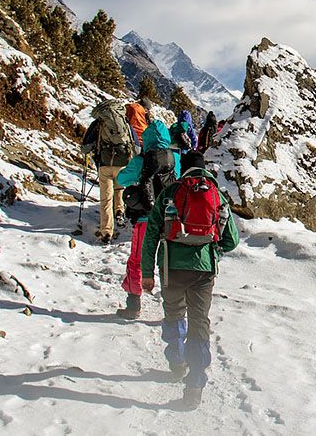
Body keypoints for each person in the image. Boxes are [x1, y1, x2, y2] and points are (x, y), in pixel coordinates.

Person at [141, 151, 239, 410]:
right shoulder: (216, 195)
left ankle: (176, 362)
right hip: (204, 271)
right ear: (204, 169)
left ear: (183, 169)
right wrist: (212, 247)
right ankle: (195, 385)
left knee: (173, 313)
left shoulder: (170, 192)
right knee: (199, 323)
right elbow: (232, 241)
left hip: (171, 266)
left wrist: (147, 272)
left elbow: (151, 233)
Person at [115, 117, 180, 319]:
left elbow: (121, 179)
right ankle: (174, 310)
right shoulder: (174, 159)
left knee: (137, 260)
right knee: (170, 262)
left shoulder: (141, 160)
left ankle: (133, 305)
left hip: (145, 218)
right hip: (169, 219)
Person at [81, 100, 135, 244]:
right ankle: (119, 211)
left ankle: (106, 231)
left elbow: (85, 146)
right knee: (120, 188)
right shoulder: (124, 121)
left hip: (105, 164)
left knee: (106, 198)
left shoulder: (99, 123)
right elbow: (134, 141)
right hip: (123, 162)